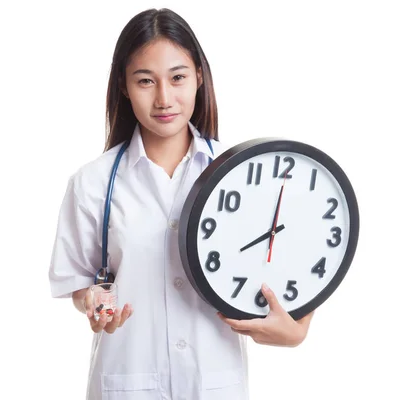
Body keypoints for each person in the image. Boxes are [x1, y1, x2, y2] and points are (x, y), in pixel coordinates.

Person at [48, 8, 314, 400]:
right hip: (128, 382)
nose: (164, 98)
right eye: (145, 81)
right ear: (123, 85)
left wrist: (297, 328)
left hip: (214, 385)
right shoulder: (92, 183)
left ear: (199, 78)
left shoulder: (243, 173)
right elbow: (79, 282)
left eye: (177, 78)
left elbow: (294, 259)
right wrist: (92, 302)